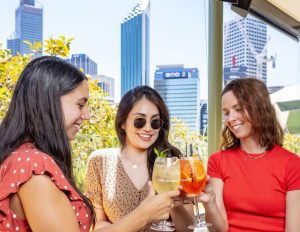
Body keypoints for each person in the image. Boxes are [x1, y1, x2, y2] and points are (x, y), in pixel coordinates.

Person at [0, 56, 96, 231]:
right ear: (49, 102)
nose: (86, 115)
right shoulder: (33, 165)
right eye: (80, 105)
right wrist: (145, 213)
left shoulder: (20, 156)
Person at [200, 78, 300, 231]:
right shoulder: (218, 161)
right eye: (226, 112)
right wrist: (210, 203)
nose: (231, 118)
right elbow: (218, 229)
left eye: (238, 109)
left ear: (259, 108)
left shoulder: (292, 164)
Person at [84, 86, 183, 231]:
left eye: (155, 122)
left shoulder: (173, 162)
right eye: (139, 121)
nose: (148, 128)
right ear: (123, 122)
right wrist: (144, 214)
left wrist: (173, 202)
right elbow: (98, 224)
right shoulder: (99, 161)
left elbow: (188, 228)